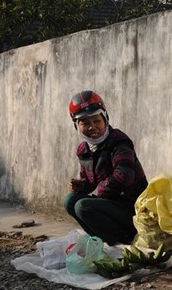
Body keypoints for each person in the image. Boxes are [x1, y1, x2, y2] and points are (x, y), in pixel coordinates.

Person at [62, 90, 148, 246]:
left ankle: (124, 239)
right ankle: (102, 239)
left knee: (83, 207)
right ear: (76, 125)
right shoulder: (84, 150)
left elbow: (124, 176)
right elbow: (89, 182)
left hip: (132, 209)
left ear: (105, 119)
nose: (92, 127)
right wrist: (81, 186)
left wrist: (99, 191)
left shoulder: (119, 142)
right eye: (85, 123)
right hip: (110, 205)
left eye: (96, 121)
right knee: (69, 200)